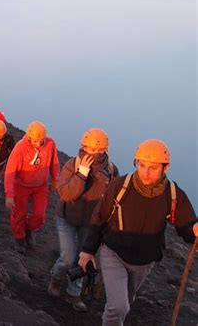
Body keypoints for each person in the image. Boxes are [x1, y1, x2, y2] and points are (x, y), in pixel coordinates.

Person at [78, 139, 198, 325]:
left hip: (144, 261)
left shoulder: (172, 194)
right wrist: (88, 251)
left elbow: (187, 226)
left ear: (165, 168)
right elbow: (99, 216)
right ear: (135, 163)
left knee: (125, 302)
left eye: (153, 167)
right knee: (119, 306)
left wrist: (194, 230)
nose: (146, 172)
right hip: (114, 252)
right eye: (141, 165)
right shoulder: (120, 186)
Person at [49, 128, 119, 312]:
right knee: (67, 256)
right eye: (91, 149)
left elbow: (113, 199)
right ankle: (56, 278)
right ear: (83, 147)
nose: (95, 153)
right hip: (67, 219)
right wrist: (82, 173)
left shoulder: (111, 170)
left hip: (90, 223)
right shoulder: (72, 165)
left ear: (106, 149)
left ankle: (73, 294)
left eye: (99, 150)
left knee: (83, 259)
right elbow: (67, 193)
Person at [4, 121, 60, 254]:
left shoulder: (50, 144)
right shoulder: (20, 148)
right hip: (21, 186)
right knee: (19, 214)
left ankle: (29, 229)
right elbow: (10, 172)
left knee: (39, 216)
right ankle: (20, 238)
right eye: (35, 141)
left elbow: (55, 163)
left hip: (41, 186)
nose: (38, 143)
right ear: (29, 137)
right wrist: (9, 195)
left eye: (40, 140)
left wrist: (55, 180)